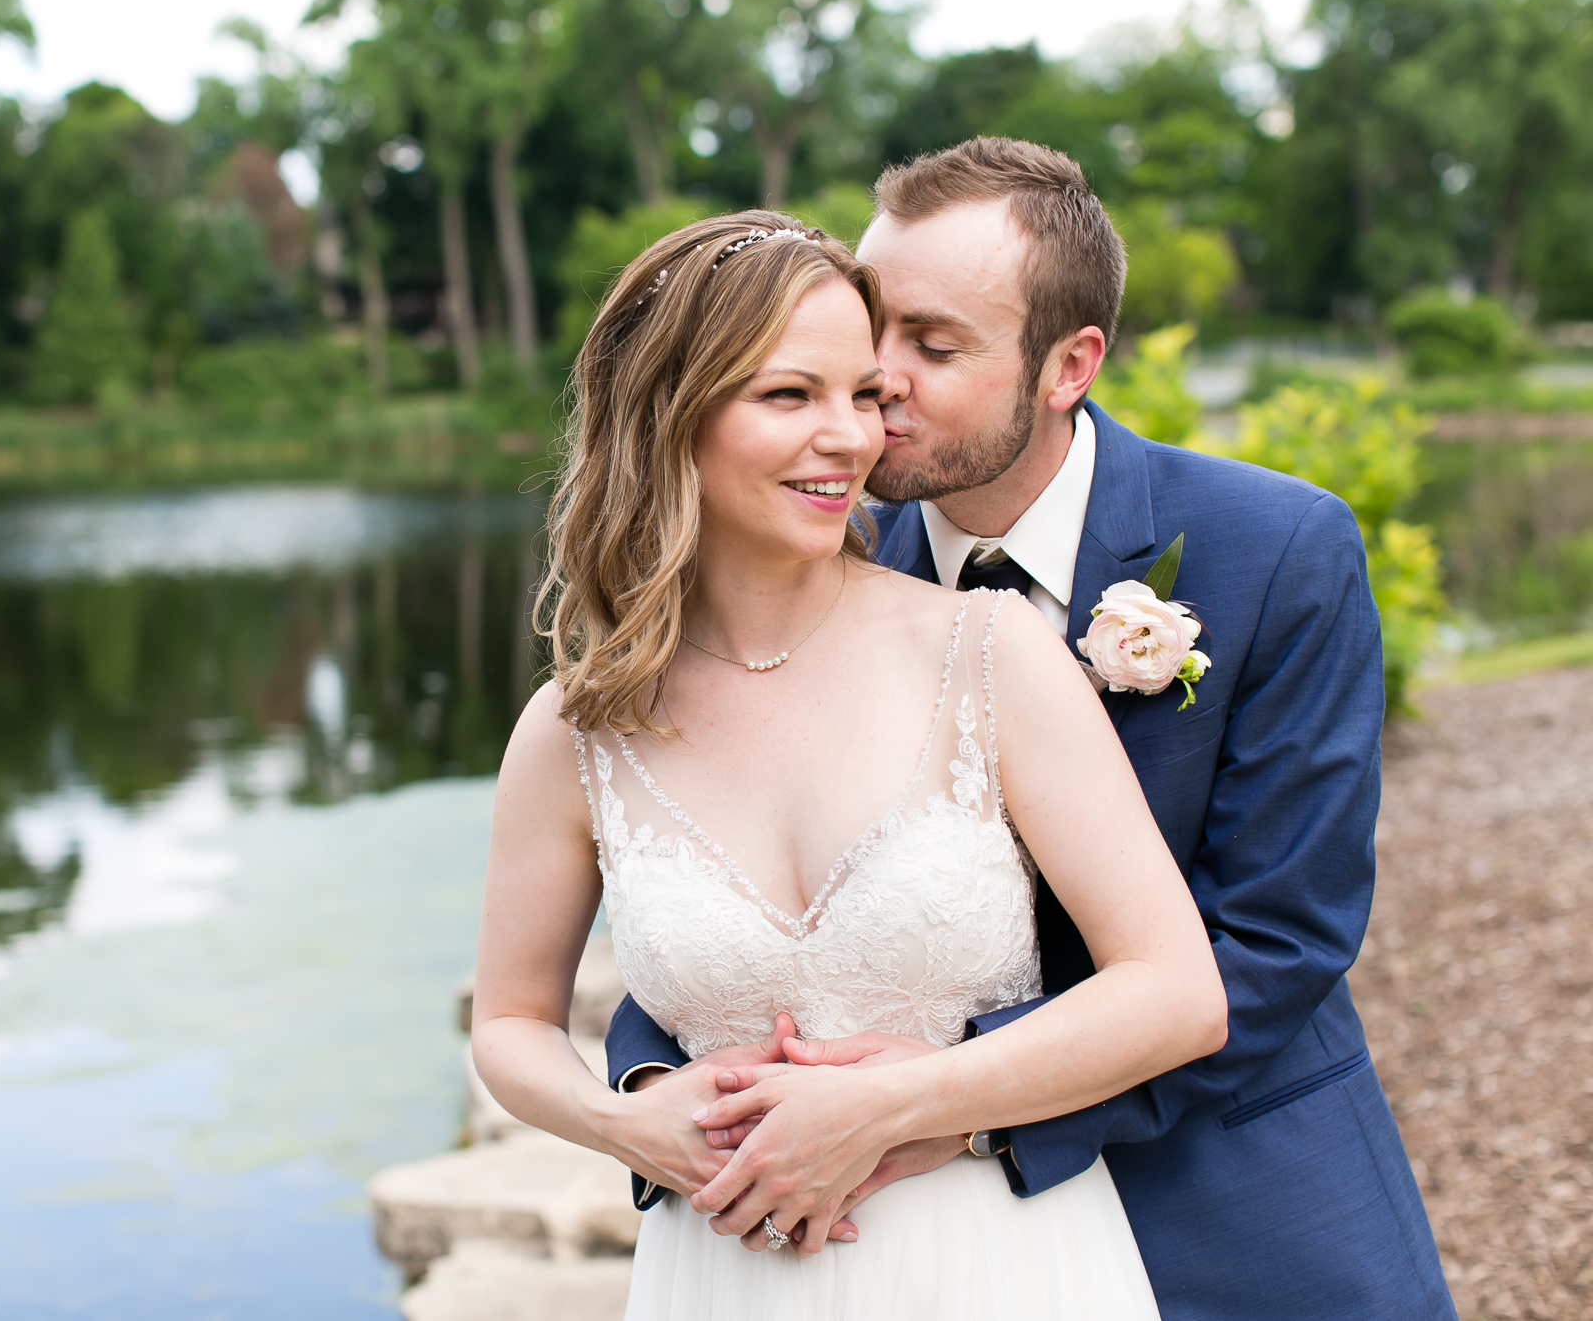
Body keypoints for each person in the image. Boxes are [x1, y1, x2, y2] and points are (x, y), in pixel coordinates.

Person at [602, 139, 1457, 1319]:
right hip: (896, 1246)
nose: (875, 380)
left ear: (1068, 365)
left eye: (931, 344)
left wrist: (951, 1110)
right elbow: (725, 872)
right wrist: (661, 1083)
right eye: (866, 327)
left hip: (1228, 1209)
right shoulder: (815, 564)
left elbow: (1275, 944)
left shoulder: (1275, 553)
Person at [468, 203, 1228, 1319]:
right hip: (719, 1272)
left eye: (862, 395)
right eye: (790, 395)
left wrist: (902, 1103)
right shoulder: (575, 728)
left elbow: (1175, 994)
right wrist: (625, 1122)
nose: (851, 436)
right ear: (669, 416)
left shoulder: (984, 650)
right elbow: (509, 1023)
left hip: (995, 1263)